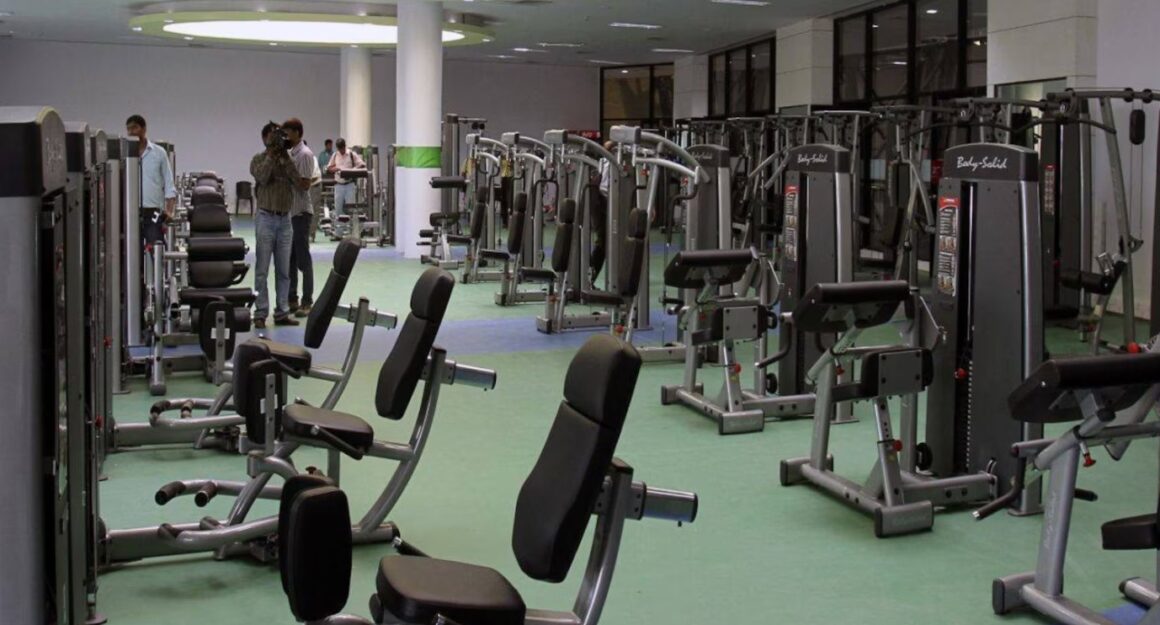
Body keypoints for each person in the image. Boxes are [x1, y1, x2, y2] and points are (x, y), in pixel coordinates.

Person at [250, 121, 304, 328]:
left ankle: (282, 312)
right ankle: (260, 313)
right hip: (266, 217)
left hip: (285, 220)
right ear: (265, 139)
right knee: (262, 269)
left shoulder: (287, 159)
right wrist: (272, 156)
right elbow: (263, 177)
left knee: (284, 270)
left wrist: (285, 157)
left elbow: (298, 182)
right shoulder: (258, 159)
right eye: (274, 137)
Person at [125, 114, 176, 248]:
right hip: (131, 209)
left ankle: (155, 260)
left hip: (153, 210)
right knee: (131, 248)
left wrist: (169, 210)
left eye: (134, 128)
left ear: (144, 129)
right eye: (129, 129)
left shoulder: (159, 153)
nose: (131, 132)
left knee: (154, 245)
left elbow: (169, 183)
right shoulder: (125, 155)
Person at [284, 119, 317, 317]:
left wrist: (288, 175)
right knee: (290, 259)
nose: (286, 136)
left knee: (303, 260)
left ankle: (307, 301)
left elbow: (305, 184)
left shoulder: (305, 154)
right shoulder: (291, 154)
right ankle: (292, 299)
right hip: (291, 212)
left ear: (297, 133)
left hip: (301, 213)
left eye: (288, 132)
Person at [326, 138, 366, 220]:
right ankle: (339, 227)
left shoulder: (351, 154)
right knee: (338, 208)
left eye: (342, 149)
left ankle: (351, 227)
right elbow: (329, 168)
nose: (341, 151)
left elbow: (362, 164)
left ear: (345, 146)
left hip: (349, 185)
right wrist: (336, 169)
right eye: (339, 149)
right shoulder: (335, 155)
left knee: (351, 209)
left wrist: (353, 170)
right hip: (338, 185)